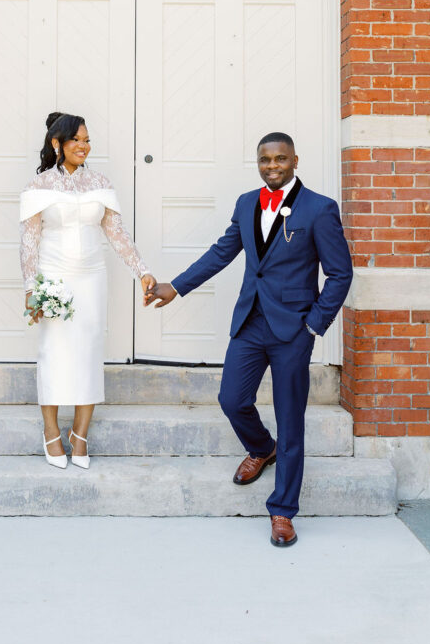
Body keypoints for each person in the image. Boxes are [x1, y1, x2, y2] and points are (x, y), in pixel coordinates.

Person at [145, 132, 353, 547]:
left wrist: (314, 324)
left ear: (295, 159)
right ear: (257, 162)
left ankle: (282, 511)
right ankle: (262, 447)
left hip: (294, 328)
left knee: (291, 419)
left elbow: (340, 273)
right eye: (264, 160)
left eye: (279, 159)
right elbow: (221, 252)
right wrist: (177, 286)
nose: (271, 166)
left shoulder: (319, 208)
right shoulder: (246, 203)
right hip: (250, 322)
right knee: (231, 399)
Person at [20, 112, 155, 470]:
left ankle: (80, 436)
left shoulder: (99, 181)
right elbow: (29, 243)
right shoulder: (39, 187)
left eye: (87, 140)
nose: (83, 146)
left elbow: (117, 234)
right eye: (76, 140)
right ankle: (51, 431)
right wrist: (30, 288)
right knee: (54, 353)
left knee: (89, 352)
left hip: (92, 278)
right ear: (57, 144)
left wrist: (142, 271)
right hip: (54, 277)